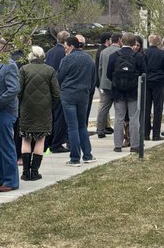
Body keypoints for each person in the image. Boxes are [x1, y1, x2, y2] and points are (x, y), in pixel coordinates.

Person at [18, 45, 60, 180]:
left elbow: (18, 91)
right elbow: (56, 93)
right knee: (41, 138)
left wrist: (20, 105)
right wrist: (50, 105)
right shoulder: (50, 70)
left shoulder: (24, 69)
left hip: (27, 108)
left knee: (26, 138)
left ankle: (25, 172)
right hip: (44, 109)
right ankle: (35, 171)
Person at [57, 35, 97, 164]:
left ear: (71, 46)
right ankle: (87, 155)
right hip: (83, 94)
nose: (65, 49)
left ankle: (75, 158)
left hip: (68, 94)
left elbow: (59, 77)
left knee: (72, 127)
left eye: (66, 47)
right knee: (82, 126)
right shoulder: (89, 59)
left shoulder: (66, 60)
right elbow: (93, 79)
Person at [107, 32, 146, 152]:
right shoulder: (138, 56)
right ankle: (134, 145)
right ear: (134, 43)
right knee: (134, 118)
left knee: (119, 118)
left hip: (118, 91)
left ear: (122, 41)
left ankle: (117, 145)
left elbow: (109, 74)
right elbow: (144, 73)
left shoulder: (114, 56)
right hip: (133, 91)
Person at [0, 38, 21, 191]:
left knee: (6, 145)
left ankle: (11, 181)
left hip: (5, 110)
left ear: (2, 47)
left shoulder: (10, 65)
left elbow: (14, 89)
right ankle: (3, 178)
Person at [44, 30, 70, 152]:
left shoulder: (49, 52)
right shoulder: (65, 53)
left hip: (49, 87)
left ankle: (48, 142)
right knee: (60, 118)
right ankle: (57, 144)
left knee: (51, 116)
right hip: (60, 88)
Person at [144, 33, 164, 140]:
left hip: (147, 82)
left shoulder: (144, 53)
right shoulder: (163, 54)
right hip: (159, 82)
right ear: (159, 42)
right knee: (158, 109)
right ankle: (156, 134)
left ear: (149, 41)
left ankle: (145, 134)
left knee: (146, 109)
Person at [94, 32, 120, 137]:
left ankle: (100, 129)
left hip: (105, 83)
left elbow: (100, 68)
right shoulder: (119, 51)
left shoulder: (103, 52)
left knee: (103, 108)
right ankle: (119, 131)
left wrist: (101, 81)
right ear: (119, 40)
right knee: (119, 109)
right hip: (117, 84)